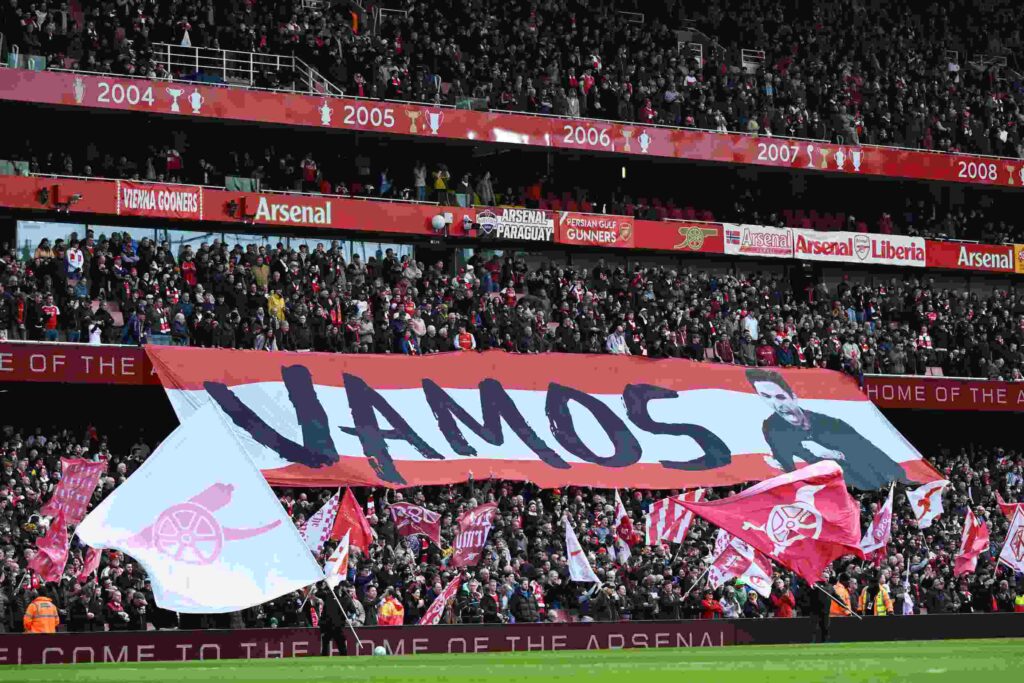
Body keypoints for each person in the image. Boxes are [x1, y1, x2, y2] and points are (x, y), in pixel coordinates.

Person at [746, 368, 908, 489]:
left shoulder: (831, 424)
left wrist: (898, 476)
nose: (776, 404)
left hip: (861, 479)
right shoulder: (773, 428)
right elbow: (789, 467)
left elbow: (867, 449)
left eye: (780, 397)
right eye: (766, 397)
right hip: (826, 487)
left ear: (793, 397)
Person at [316, 581, 348, 656]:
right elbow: (318, 594)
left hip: (338, 625)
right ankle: (324, 659)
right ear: (341, 587)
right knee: (326, 644)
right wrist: (323, 588)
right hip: (328, 624)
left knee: (341, 644)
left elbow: (352, 609)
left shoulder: (343, 598)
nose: (347, 589)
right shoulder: (329, 594)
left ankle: (343, 659)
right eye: (346, 587)